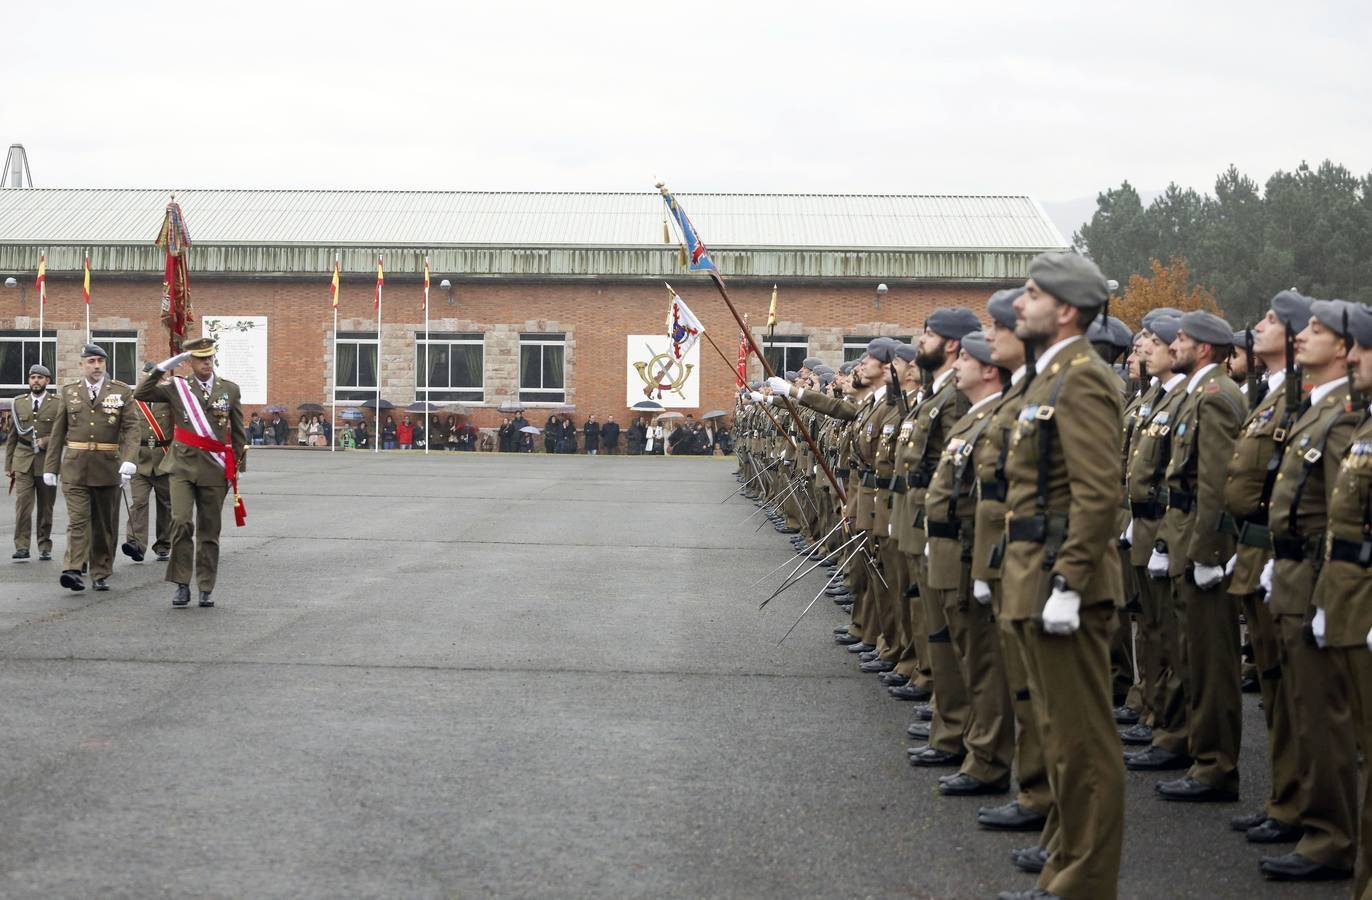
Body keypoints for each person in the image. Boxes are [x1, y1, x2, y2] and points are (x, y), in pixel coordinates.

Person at [997, 252, 1125, 900]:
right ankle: (1064, 872)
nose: (1019, 304)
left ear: (1066, 309)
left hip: (1058, 580)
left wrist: (1071, 582)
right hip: (1034, 575)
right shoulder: (1047, 378)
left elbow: (1098, 494)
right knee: (1060, 741)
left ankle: (1084, 883)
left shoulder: (1082, 379)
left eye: (1030, 294)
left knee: (1085, 749)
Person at [134, 337, 247, 609]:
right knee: (182, 522)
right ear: (190, 361)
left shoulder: (229, 390)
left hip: (214, 469)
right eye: (200, 358)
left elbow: (239, 432)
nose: (206, 362)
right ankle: (182, 584)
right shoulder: (177, 388)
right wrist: (162, 367)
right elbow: (141, 393)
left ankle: (206, 587)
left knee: (210, 531)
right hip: (182, 466)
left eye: (209, 357)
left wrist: (237, 469)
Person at [43, 344, 141, 592]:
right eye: (91, 361)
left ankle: (100, 571)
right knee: (77, 521)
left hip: (108, 468)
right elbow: (58, 433)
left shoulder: (120, 392)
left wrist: (129, 459)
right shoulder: (70, 392)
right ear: (82, 365)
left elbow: (131, 428)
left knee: (103, 525)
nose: (96, 366)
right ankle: (73, 569)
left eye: (100, 361)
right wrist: (50, 467)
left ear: (105, 364)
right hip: (75, 467)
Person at [5, 363, 61, 561]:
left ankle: (44, 545)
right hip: (22, 461)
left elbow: (62, 432)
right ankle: (22, 546)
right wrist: (8, 465)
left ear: (48, 381)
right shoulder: (19, 402)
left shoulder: (57, 403)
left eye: (40, 377)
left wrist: (45, 441)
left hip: (47, 461)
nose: (35, 381)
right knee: (23, 506)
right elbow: (12, 435)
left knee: (46, 507)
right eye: (32, 377)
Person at [121, 362, 175, 564]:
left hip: (164, 456)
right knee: (139, 502)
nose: (147, 379)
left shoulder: (168, 398)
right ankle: (136, 544)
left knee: (166, 505)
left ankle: (163, 544)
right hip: (139, 458)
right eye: (144, 376)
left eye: (151, 376)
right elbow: (124, 431)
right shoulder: (133, 400)